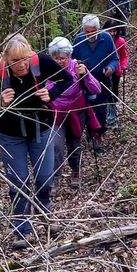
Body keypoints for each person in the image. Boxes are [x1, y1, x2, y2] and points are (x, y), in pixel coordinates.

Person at [0, 33, 69, 249]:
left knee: (45, 177)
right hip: (10, 136)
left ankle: (46, 215)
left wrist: (51, 95)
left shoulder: (41, 62)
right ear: (6, 59)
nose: (22, 65)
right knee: (19, 182)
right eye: (15, 61)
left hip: (41, 130)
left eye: (25, 58)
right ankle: (21, 228)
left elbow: (68, 79)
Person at [46, 37, 102, 189]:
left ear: (69, 56)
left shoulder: (77, 67)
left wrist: (85, 75)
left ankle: (75, 171)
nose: (59, 61)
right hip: (56, 112)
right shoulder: (47, 69)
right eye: (56, 58)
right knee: (55, 145)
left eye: (62, 58)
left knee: (74, 144)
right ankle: (54, 175)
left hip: (77, 112)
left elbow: (97, 89)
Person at [72, 15, 119, 151]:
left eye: (93, 31)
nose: (89, 34)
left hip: (102, 78)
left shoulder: (106, 38)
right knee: (88, 107)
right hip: (85, 78)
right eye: (87, 31)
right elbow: (72, 60)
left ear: (98, 29)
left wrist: (111, 68)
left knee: (100, 108)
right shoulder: (78, 39)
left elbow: (114, 58)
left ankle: (99, 134)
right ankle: (90, 132)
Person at [106, 27, 129, 126]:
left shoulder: (120, 41)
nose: (112, 33)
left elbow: (123, 56)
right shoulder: (103, 41)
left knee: (114, 91)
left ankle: (112, 114)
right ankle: (106, 112)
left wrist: (124, 65)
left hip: (116, 70)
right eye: (110, 31)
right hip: (103, 70)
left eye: (114, 31)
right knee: (104, 91)